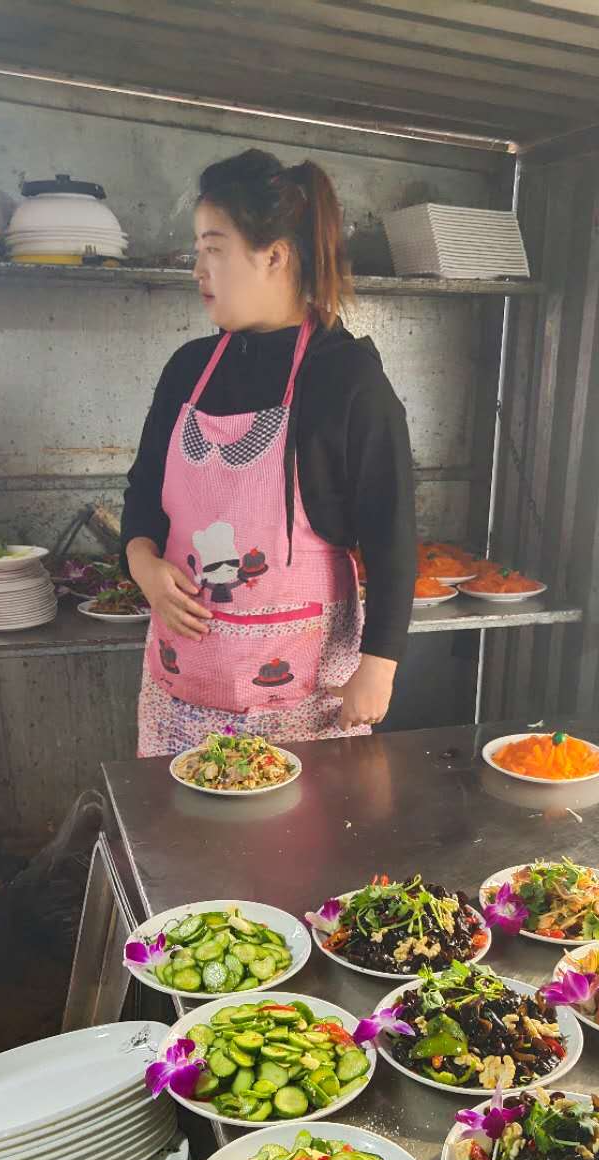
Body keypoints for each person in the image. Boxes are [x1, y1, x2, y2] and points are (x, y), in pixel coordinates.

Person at [121, 148, 416, 758]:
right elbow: (143, 494)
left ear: (275, 256)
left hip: (303, 702)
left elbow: (391, 533)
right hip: (180, 687)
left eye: (214, 248)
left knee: (300, 822)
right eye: (197, 251)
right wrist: (141, 562)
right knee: (178, 819)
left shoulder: (347, 378)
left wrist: (380, 665)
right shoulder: (188, 370)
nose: (198, 270)